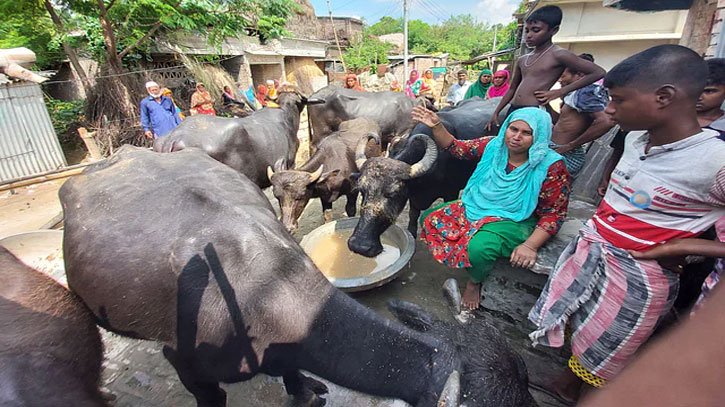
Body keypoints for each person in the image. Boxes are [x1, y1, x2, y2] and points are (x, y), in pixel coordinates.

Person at [528, 45, 725, 405]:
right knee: (584, 320)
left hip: (641, 271)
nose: (609, 110)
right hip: (596, 249)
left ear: (664, 97)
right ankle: (569, 382)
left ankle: (586, 391)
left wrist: (682, 248)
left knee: (613, 339)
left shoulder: (715, 161)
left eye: (618, 100)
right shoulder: (635, 139)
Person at [412, 105, 571, 310]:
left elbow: (554, 213)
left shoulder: (552, 166)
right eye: (513, 129)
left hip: (517, 217)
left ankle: (474, 282)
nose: (516, 137)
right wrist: (437, 126)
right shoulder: (493, 146)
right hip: (480, 205)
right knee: (429, 218)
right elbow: (456, 147)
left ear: (539, 136)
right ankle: (468, 256)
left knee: (479, 249)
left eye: (527, 133)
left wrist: (530, 245)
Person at [488, 5, 605, 129]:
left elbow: (598, 72)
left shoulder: (559, 54)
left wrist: (560, 91)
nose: (529, 35)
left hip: (534, 109)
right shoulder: (523, 59)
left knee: (524, 145)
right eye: (527, 31)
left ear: (553, 30)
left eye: (536, 30)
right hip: (514, 109)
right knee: (506, 144)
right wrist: (497, 111)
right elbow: (512, 89)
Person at [550, 53, 614, 178]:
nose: (560, 80)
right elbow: (563, 122)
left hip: (565, 155)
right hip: (558, 150)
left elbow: (606, 121)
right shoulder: (574, 93)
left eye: (563, 76)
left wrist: (569, 146)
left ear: (580, 75)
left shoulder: (586, 92)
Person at [697, 58, 725, 139]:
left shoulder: (722, 128)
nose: (699, 97)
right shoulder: (668, 118)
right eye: (695, 90)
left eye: (708, 91)